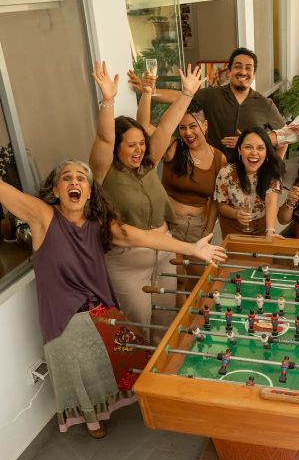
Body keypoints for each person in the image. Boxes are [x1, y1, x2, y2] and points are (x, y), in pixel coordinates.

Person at [0, 160, 225, 438]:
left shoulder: (99, 225)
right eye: (67, 178)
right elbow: (5, 191)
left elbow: (141, 237)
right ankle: (92, 419)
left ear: (89, 192)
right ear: (56, 190)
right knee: (80, 370)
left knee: (135, 354)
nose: (74, 182)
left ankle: (146, 401)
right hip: (62, 319)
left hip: (99, 309)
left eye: (81, 178)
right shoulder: (43, 217)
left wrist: (191, 248)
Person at [90, 61, 204, 337]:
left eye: (141, 143)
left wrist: (187, 94)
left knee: (165, 326)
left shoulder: (148, 164)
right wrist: (108, 101)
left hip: (164, 254)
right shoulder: (104, 172)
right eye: (131, 145)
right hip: (128, 264)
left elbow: (165, 127)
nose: (139, 150)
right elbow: (104, 138)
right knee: (139, 331)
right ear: (117, 148)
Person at [135, 85, 226, 285]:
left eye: (193, 126)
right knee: (175, 279)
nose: (188, 132)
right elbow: (143, 126)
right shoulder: (173, 147)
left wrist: (208, 230)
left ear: (205, 125)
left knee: (198, 281)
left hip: (198, 228)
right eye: (182, 127)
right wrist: (147, 92)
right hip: (168, 224)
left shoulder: (219, 159)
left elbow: (216, 200)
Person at [130, 48, 285, 158]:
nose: (243, 72)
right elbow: (180, 97)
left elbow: (285, 136)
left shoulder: (266, 105)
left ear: (254, 75)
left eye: (248, 68)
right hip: (214, 170)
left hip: (252, 174)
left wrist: (276, 168)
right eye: (238, 66)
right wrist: (148, 91)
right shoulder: (212, 95)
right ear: (229, 71)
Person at [214, 127, 283, 238]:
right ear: (239, 150)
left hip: (262, 227)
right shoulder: (227, 173)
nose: (254, 153)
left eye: (260, 148)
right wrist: (236, 213)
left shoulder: (272, 171)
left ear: (266, 152)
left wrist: (270, 231)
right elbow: (221, 205)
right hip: (233, 227)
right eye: (248, 147)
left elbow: (271, 200)